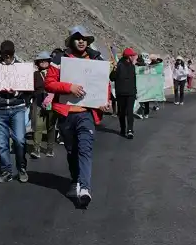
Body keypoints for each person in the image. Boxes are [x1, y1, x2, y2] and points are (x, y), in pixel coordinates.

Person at [45, 26, 106, 206]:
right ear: (71, 40)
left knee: (85, 149)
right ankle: (76, 179)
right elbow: (49, 83)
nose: (81, 41)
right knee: (72, 151)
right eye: (77, 38)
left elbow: (104, 84)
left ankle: (85, 188)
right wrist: (68, 87)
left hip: (86, 113)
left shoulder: (96, 58)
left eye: (84, 39)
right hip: (66, 113)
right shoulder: (59, 59)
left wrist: (105, 100)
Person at [0, 40, 31, 184]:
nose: (7, 57)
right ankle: (6, 171)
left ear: (14, 53)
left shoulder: (21, 68)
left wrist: (17, 93)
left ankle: (21, 167)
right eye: (5, 54)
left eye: (10, 54)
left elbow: (29, 89)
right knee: (2, 143)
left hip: (17, 108)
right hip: (0, 109)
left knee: (20, 140)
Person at [29, 52, 54, 158]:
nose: (43, 62)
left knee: (51, 126)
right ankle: (36, 149)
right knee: (38, 126)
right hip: (38, 102)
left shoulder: (54, 73)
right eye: (41, 60)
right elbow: (30, 88)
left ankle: (50, 149)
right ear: (38, 63)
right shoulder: (34, 75)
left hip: (52, 102)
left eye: (45, 60)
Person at [110, 47, 138, 138]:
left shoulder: (132, 66)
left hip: (130, 93)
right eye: (132, 55)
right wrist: (114, 70)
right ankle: (123, 128)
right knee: (122, 112)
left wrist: (135, 91)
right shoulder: (119, 66)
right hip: (121, 93)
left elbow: (134, 80)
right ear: (128, 56)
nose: (134, 57)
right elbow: (112, 78)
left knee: (129, 112)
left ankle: (129, 130)